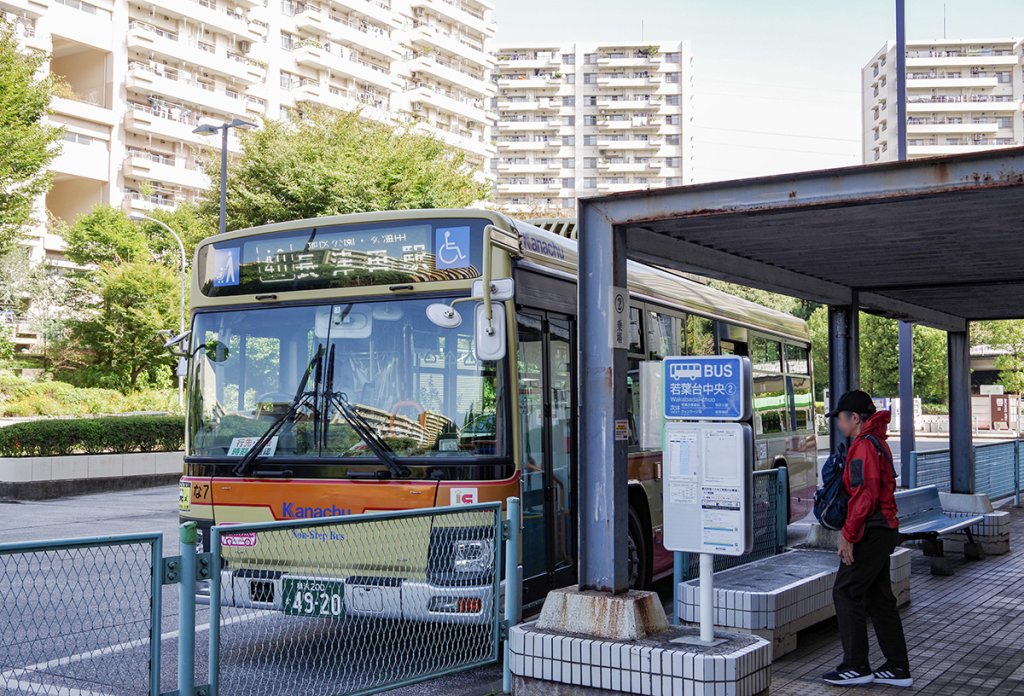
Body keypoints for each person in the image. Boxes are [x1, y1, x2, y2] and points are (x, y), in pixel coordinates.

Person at [822, 390, 912, 688]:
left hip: (871, 531)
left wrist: (847, 536)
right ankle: (897, 667)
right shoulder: (877, 442)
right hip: (882, 528)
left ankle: (856, 665)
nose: (838, 423)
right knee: (879, 598)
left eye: (840, 418)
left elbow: (865, 495)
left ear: (855, 418)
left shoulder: (863, 447)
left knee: (845, 592)